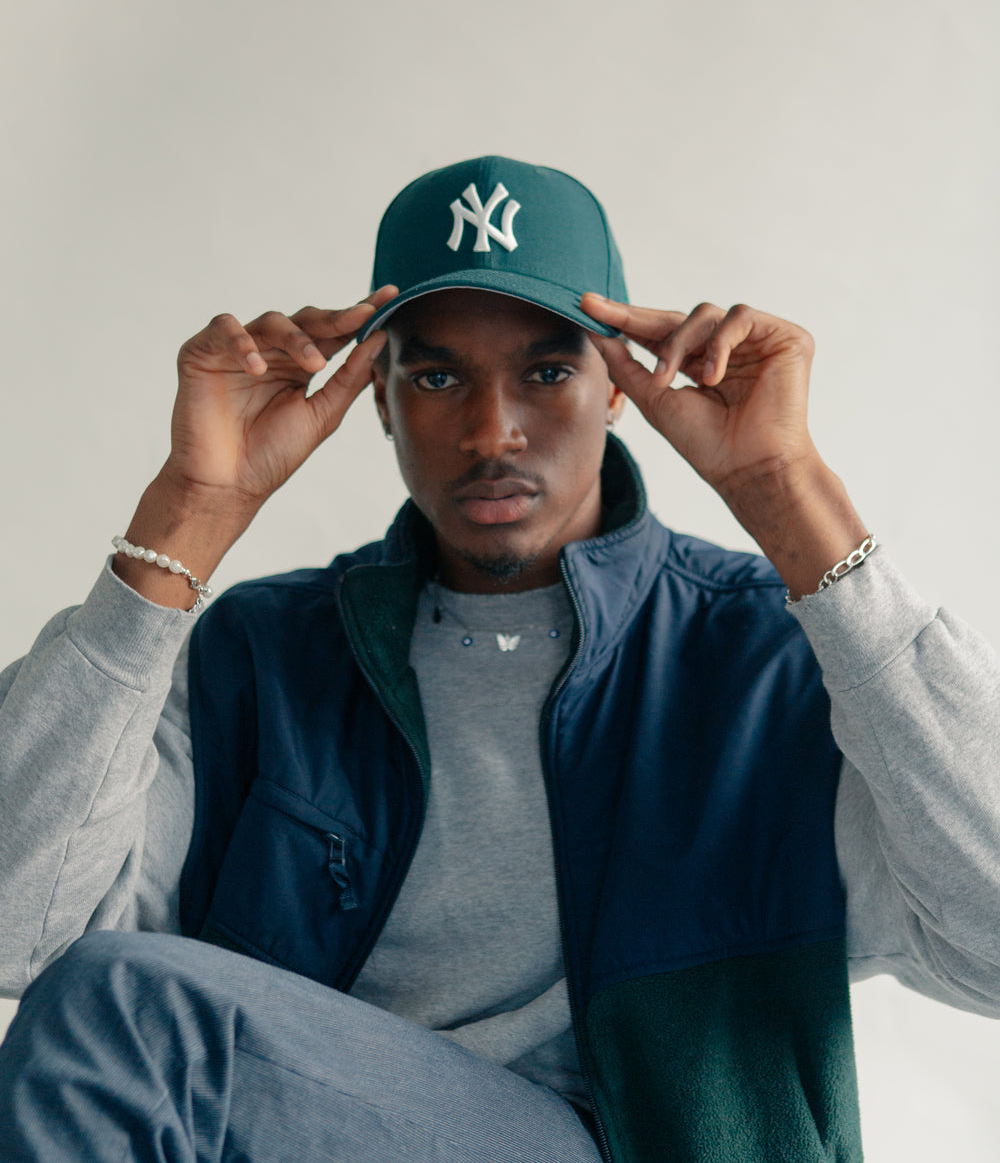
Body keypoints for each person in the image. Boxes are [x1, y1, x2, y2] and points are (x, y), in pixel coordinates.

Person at [0, 155, 997, 1163]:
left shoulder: (757, 663)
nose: (491, 431)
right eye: (437, 376)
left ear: (619, 388)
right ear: (377, 398)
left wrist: (795, 502)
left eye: (548, 372)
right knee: (105, 1002)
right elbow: (17, 931)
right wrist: (187, 518)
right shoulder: (265, 658)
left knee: (118, 1003)